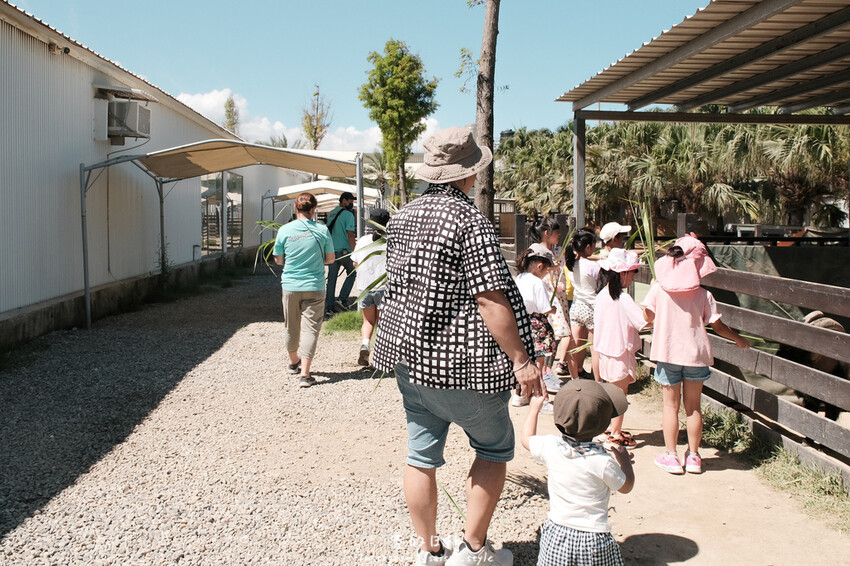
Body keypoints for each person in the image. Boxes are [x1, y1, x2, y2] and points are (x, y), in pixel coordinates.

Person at [372, 126, 543, 566]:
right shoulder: (469, 221)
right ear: (469, 175)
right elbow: (489, 299)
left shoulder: (404, 218)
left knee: (420, 455)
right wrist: (522, 361)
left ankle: (429, 550)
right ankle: (472, 550)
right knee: (491, 449)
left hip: (412, 361)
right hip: (464, 366)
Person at [642, 234, 750, 474]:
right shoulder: (704, 295)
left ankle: (671, 456)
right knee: (694, 407)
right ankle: (694, 457)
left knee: (670, 407)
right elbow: (718, 326)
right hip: (695, 356)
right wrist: (739, 340)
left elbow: (647, 317)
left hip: (668, 354)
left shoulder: (659, 289)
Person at [521, 380, 635, 566]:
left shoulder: (551, 446)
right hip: (594, 540)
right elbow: (626, 486)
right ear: (603, 425)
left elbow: (527, 439)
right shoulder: (603, 461)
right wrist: (625, 461)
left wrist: (534, 409)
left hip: (556, 534)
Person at [273, 193, 335, 388]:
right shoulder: (322, 230)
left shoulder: (284, 230)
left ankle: (293, 363)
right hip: (315, 286)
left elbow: (278, 259)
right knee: (311, 329)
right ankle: (305, 374)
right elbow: (331, 259)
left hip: (290, 285)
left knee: (291, 326)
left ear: (295, 208)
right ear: (313, 209)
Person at [593, 248, 646, 449]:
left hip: (605, 350)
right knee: (620, 395)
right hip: (621, 350)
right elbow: (643, 322)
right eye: (633, 272)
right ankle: (615, 433)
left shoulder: (602, 295)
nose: (633, 276)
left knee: (612, 392)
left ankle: (610, 427)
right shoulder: (623, 299)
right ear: (623, 273)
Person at [513, 247, 561, 405]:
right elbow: (545, 308)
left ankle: (520, 394)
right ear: (540, 266)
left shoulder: (519, 278)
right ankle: (540, 398)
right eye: (547, 270)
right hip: (535, 324)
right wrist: (553, 309)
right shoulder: (537, 282)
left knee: (524, 359)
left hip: (519, 323)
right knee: (538, 363)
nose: (547, 274)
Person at [528, 218, 574, 378]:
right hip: (547, 297)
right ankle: (547, 371)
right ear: (547, 233)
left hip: (559, 296)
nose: (560, 234)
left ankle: (549, 370)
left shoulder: (558, 250)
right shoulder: (537, 251)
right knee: (558, 334)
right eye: (556, 232)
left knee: (554, 335)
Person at [351, 207, 389, 366]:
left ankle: (365, 345)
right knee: (383, 323)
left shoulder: (362, 241)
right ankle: (381, 356)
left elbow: (355, 263)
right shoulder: (390, 241)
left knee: (368, 321)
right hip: (384, 287)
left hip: (365, 287)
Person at [564, 229, 601, 381]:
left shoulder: (572, 264)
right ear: (587, 247)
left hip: (577, 307)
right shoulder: (592, 266)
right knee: (595, 349)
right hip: (592, 306)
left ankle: (574, 379)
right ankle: (598, 381)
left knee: (574, 346)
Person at [324, 191, 357, 316]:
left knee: (331, 279)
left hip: (332, 251)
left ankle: (330, 308)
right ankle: (342, 299)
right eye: (350, 201)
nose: (351, 204)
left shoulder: (332, 213)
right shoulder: (348, 215)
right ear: (343, 200)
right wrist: (355, 251)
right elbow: (350, 235)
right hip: (344, 251)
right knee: (352, 273)